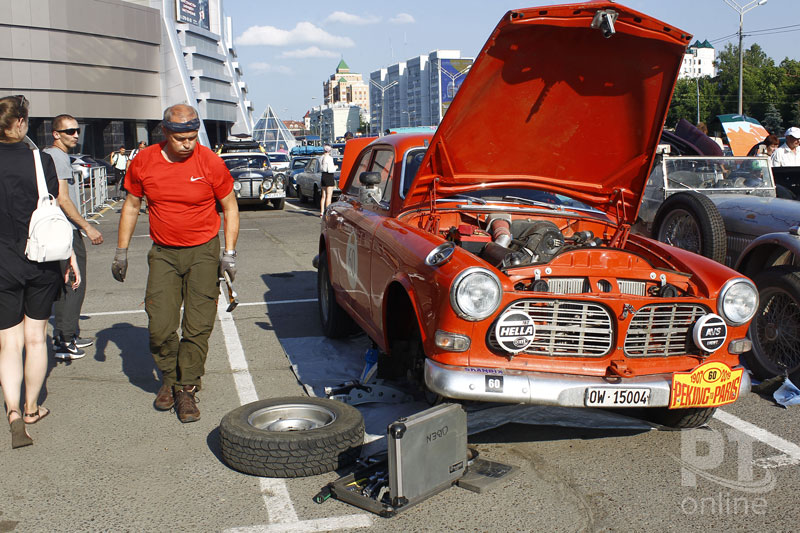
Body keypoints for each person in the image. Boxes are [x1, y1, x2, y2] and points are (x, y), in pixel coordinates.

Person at [111, 104, 239, 423]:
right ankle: (169, 377)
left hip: (204, 252)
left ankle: (186, 389)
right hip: (164, 253)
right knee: (160, 325)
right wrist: (121, 251)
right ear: (166, 133)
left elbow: (230, 207)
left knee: (198, 325)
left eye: (193, 138)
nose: (188, 145)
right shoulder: (144, 161)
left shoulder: (210, 162)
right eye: (181, 138)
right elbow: (130, 206)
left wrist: (230, 252)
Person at [0, 95, 81, 448]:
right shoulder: (41, 160)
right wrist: (69, 259)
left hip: (2, 262)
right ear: (19, 123)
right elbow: (54, 210)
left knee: (8, 344)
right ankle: (32, 408)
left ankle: (13, 411)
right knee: (36, 339)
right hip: (41, 259)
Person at [44, 114, 103, 360]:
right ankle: (65, 340)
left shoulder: (51, 155)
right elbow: (63, 198)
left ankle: (68, 334)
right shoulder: (57, 157)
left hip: (56, 229)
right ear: (56, 134)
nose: (75, 134)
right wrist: (87, 227)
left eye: (77, 130)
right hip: (65, 230)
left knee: (65, 283)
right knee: (74, 283)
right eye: (69, 131)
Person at [319, 144, 336, 216]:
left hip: (323, 176)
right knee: (329, 196)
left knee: (323, 196)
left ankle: (322, 212)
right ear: (329, 150)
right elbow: (330, 169)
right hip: (329, 176)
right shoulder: (329, 158)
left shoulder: (321, 158)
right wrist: (335, 167)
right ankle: (327, 212)